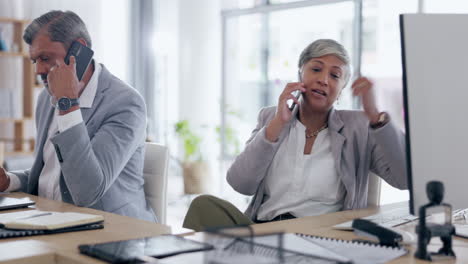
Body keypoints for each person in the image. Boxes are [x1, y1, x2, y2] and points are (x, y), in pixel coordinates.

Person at [183, 39, 407, 231]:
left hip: (322, 236)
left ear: (341, 90)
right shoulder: (270, 117)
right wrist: (278, 123)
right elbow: (240, 183)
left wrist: (376, 117)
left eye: (335, 75)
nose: (324, 80)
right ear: (300, 73)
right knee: (203, 205)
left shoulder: (358, 126)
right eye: (316, 69)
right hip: (264, 231)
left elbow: (404, 179)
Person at [0, 10, 156, 222]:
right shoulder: (45, 100)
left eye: (45, 58)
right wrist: (9, 181)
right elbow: (53, 175)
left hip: (112, 232)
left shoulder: (126, 104)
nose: (38, 70)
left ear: (79, 49)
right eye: (34, 61)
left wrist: (67, 104)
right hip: (53, 220)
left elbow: (87, 191)